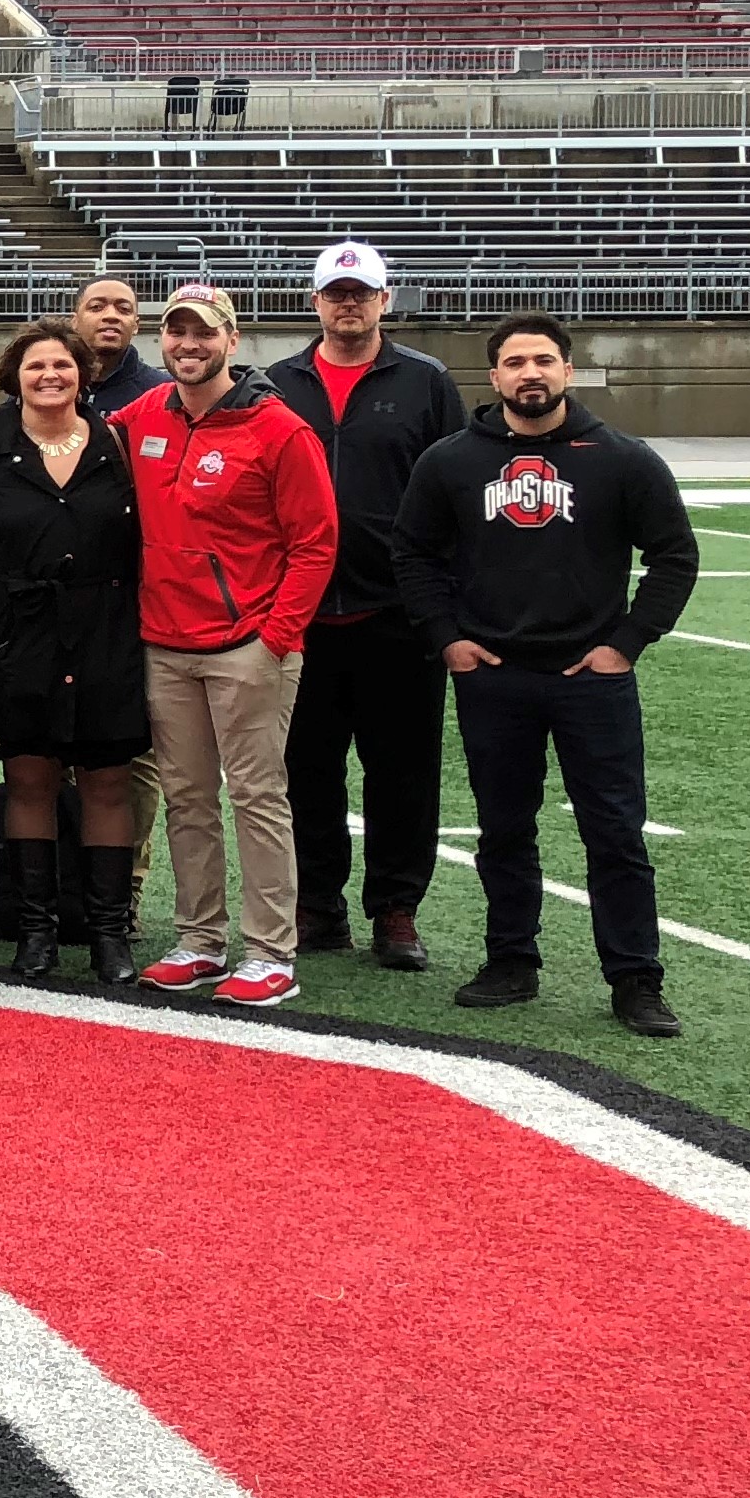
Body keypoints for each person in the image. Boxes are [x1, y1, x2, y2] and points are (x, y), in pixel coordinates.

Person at [398, 315, 699, 1040]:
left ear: (567, 370)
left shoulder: (622, 458)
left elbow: (674, 556)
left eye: (542, 360)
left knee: (615, 833)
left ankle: (635, 977)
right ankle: (510, 960)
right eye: (513, 362)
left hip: (591, 680)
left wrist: (626, 644)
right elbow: (412, 556)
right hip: (494, 677)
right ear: (493, 377)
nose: (528, 373)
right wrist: (448, 640)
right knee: (504, 829)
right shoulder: (451, 461)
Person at [0, 323, 151, 986]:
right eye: (36, 365)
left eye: (62, 365)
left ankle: (108, 934)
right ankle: (35, 929)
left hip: (108, 631)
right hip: (18, 636)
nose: (50, 375)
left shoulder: (119, 444)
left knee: (105, 781)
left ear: (83, 374)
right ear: (14, 377)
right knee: (31, 780)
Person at [121, 284, 340, 1008]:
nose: (189, 345)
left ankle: (272, 949)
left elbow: (315, 544)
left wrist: (275, 638)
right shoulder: (145, 414)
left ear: (232, 340)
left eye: (203, 333)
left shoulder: (279, 430)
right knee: (187, 797)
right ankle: (200, 939)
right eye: (177, 332)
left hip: (247, 644)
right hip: (165, 642)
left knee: (256, 795)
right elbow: (69, 431)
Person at [265, 241, 465, 973]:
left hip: (397, 612)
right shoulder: (275, 384)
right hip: (300, 612)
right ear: (314, 302)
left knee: (401, 770)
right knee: (304, 767)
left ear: (386, 300)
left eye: (362, 292)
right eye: (335, 293)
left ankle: (396, 909)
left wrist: (444, 600)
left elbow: (454, 490)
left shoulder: (425, 382)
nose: (348, 303)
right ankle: (317, 904)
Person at [74, 276, 165, 420]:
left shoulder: (164, 391)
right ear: (75, 322)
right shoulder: (51, 387)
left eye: (124, 309)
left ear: (136, 326)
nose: (111, 316)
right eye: (96, 307)